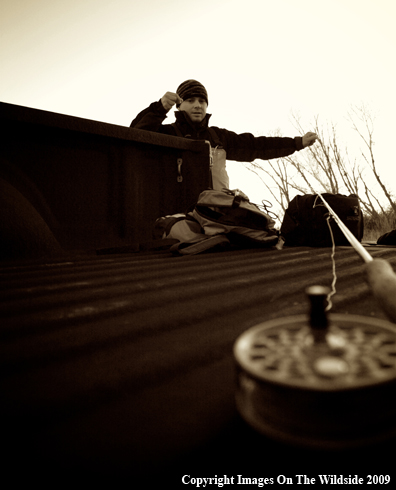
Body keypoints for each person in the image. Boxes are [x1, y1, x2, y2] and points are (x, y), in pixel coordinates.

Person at [130, 79, 318, 192]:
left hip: (215, 214)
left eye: (202, 101)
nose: (198, 105)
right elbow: (134, 137)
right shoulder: (166, 134)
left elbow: (256, 146)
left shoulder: (218, 137)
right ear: (178, 105)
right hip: (176, 215)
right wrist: (158, 108)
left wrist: (297, 142)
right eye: (190, 100)